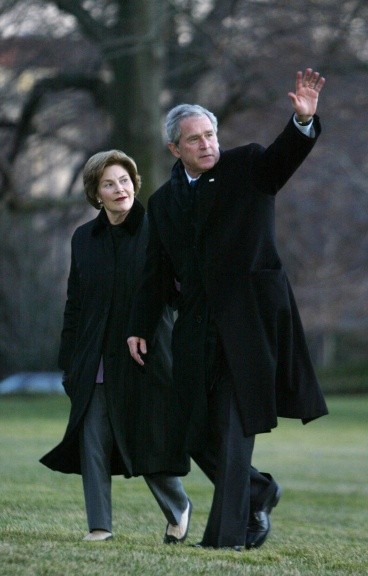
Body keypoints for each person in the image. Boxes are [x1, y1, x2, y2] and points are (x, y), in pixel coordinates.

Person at [127, 68, 329, 550]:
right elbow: (155, 272)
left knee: (234, 428)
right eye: (194, 139)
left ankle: (227, 537)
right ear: (174, 149)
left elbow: (283, 158)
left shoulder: (248, 166)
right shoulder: (163, 202)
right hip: (197, 329)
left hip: (251, 323)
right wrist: (140, 325)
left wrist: (301, 121)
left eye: (210, 133)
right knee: (193, 433)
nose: (206, 144)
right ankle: (260, 490)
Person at [40, 150, 192, 543]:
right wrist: (69, 361)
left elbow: (177, 288)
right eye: (109, 183)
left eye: (124, 180)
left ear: (134, 183)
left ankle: (179, 509)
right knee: (92, 440)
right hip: (93, 359)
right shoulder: (83, 239)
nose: (119, 188)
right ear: (96, 193)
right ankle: (99, 527)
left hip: (146, 355)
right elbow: (75, 303)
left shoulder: (156, 226)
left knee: (147, 442)